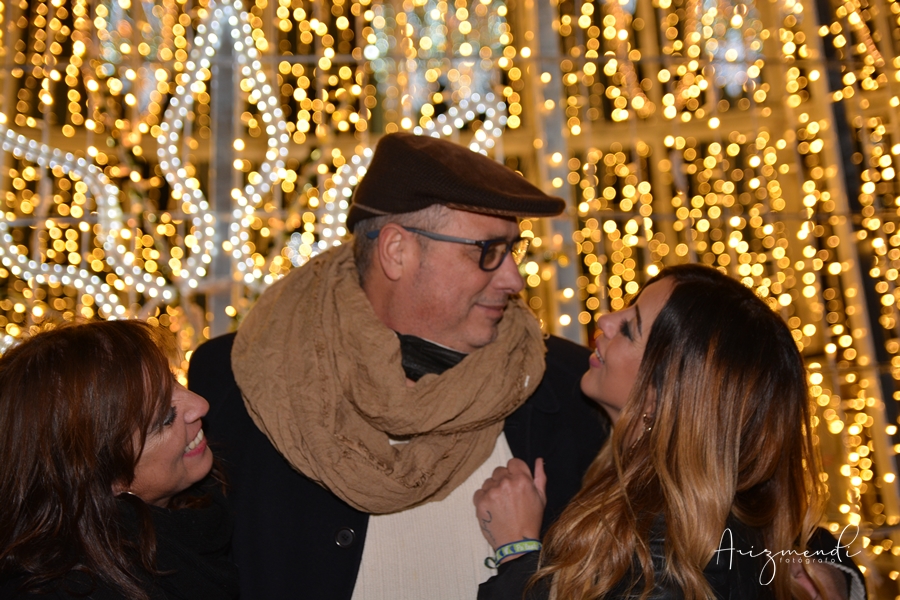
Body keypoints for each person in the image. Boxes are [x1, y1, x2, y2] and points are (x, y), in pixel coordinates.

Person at [187, 132, 609, 599]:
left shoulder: (572, 387)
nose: (513, 279)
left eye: (513, 250)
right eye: (487, 251)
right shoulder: (236, 379)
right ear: (397, 251)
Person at [475, 264, 866, 600]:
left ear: (660, 396)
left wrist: (517, 553)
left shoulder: (663, 549)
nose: (605, 320)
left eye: (630, 329)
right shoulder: (689, 495)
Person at [0, 320, 238, 600]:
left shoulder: (208, 509)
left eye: (174, 379)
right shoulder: (75, 590)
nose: (200, 404)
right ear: (105, 477)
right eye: (165, 417)